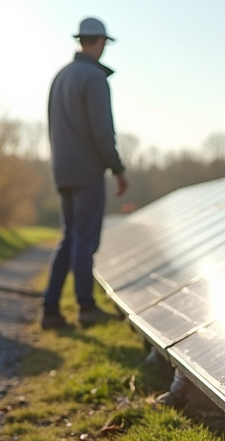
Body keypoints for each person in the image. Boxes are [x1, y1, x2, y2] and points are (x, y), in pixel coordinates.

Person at [41, 16, 129, 329]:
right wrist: (118, 169)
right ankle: (86, 307)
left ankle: (50, 310)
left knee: (69, 238)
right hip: (87, 172)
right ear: (101, 42)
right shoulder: (94, 78)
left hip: (62, 172)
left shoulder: (61, 76)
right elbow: (103, 133)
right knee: (84, 241)